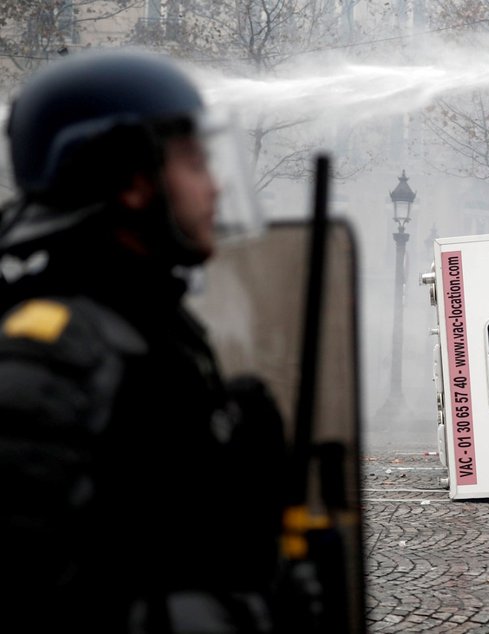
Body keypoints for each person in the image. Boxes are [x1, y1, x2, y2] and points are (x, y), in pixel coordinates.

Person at [0, 49, 287, 631]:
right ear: (134, 184)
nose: (215, 185)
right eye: (194, 163)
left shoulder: (149, 324)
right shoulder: (50, 353)